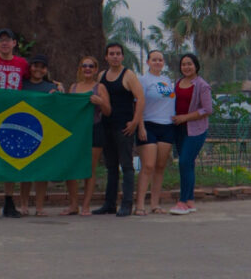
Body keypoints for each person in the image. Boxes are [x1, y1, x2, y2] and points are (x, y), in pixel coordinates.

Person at [0, 27, 31, 218]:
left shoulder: (22, 63)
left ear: (14, 43)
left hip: (14, 115)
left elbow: (32, 81)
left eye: (8, 39)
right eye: (1, 39)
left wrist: (54, 84)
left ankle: (9, 202)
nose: (4, 42)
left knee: (11, 158)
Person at [92, 41, 145, 217]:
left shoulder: (128, 75)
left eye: (118, 53)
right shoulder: (102, 76)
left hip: (124, 127)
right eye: (111, 53)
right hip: (106, 126)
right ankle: (109, 203)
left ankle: (127, 204)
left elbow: (140, 98)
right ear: (106, 57)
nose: (115, 56)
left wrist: (135, 122)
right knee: (111, 166)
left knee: (127, 166)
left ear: (122, 56)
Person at [63, 55, 111, 216]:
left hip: (94, 129)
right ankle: (73, 204)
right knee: (72, 168)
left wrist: (101, 102)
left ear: (96, 69)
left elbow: (108, 111)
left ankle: (85, 205)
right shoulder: (74, 87)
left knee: (89, 169)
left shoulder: (100, 88)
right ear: (80, 69)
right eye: (84, 66)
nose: (87, 69)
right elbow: (68, 110)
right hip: (76, 132)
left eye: (91, 66)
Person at [169, 52, 213, 215]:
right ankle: (190, 200)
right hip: (179, 129)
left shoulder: (202, 85)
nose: (186, 67)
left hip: (195, 130)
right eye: (183, 64)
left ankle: (182, 201)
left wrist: (185, 117)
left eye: (189, 64)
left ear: (196, 66)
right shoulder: (178, 83)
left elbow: (207, 109)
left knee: (184, 162)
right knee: (188, 165)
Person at [19, 54, 63, 216]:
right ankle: (23, 205)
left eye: (42, 67)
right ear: (30, 68)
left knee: (41, 171)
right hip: (24, 130)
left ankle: (39, 207)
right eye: (35, 65)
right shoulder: (21, 85)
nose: (38, 69)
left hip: (44, 132)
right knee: (26, 170)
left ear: (46, 70)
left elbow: (59, 107)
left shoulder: (51, 87)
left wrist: (59, 94)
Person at [134, 49, 176, 215]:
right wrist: (141, 126)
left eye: (160, 60)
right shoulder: (143, 80)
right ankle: (140, 205)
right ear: (148, 62)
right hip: (148, 125)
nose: (157, 62)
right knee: (148, 166)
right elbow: (138, 104)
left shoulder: (167, 80)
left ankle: (155, 204)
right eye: (154, 60)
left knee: (160, 166)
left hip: (166, 126)